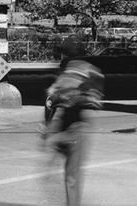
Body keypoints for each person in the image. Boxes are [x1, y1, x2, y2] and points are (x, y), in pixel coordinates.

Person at [43, 59, 104, 205]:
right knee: (72, 177)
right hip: (75, 131)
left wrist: (46, 128)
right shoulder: (85, 76)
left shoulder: (65, 80)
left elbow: (50, 103)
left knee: (70, 177)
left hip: (71, 130)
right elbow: (95, 102)